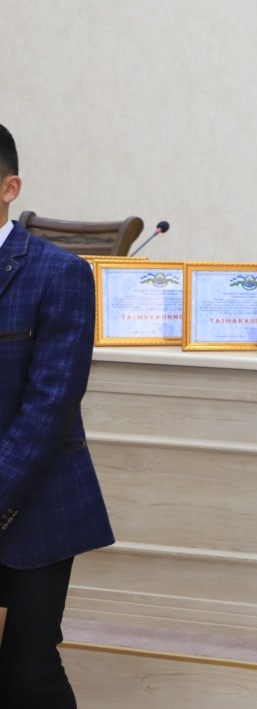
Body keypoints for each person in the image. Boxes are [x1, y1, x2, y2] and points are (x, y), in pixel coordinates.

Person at [0, 123, 115, 708]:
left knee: (27, 675)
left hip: (34, 507)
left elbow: (50, 404)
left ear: (10, 188)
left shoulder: (58, 273)